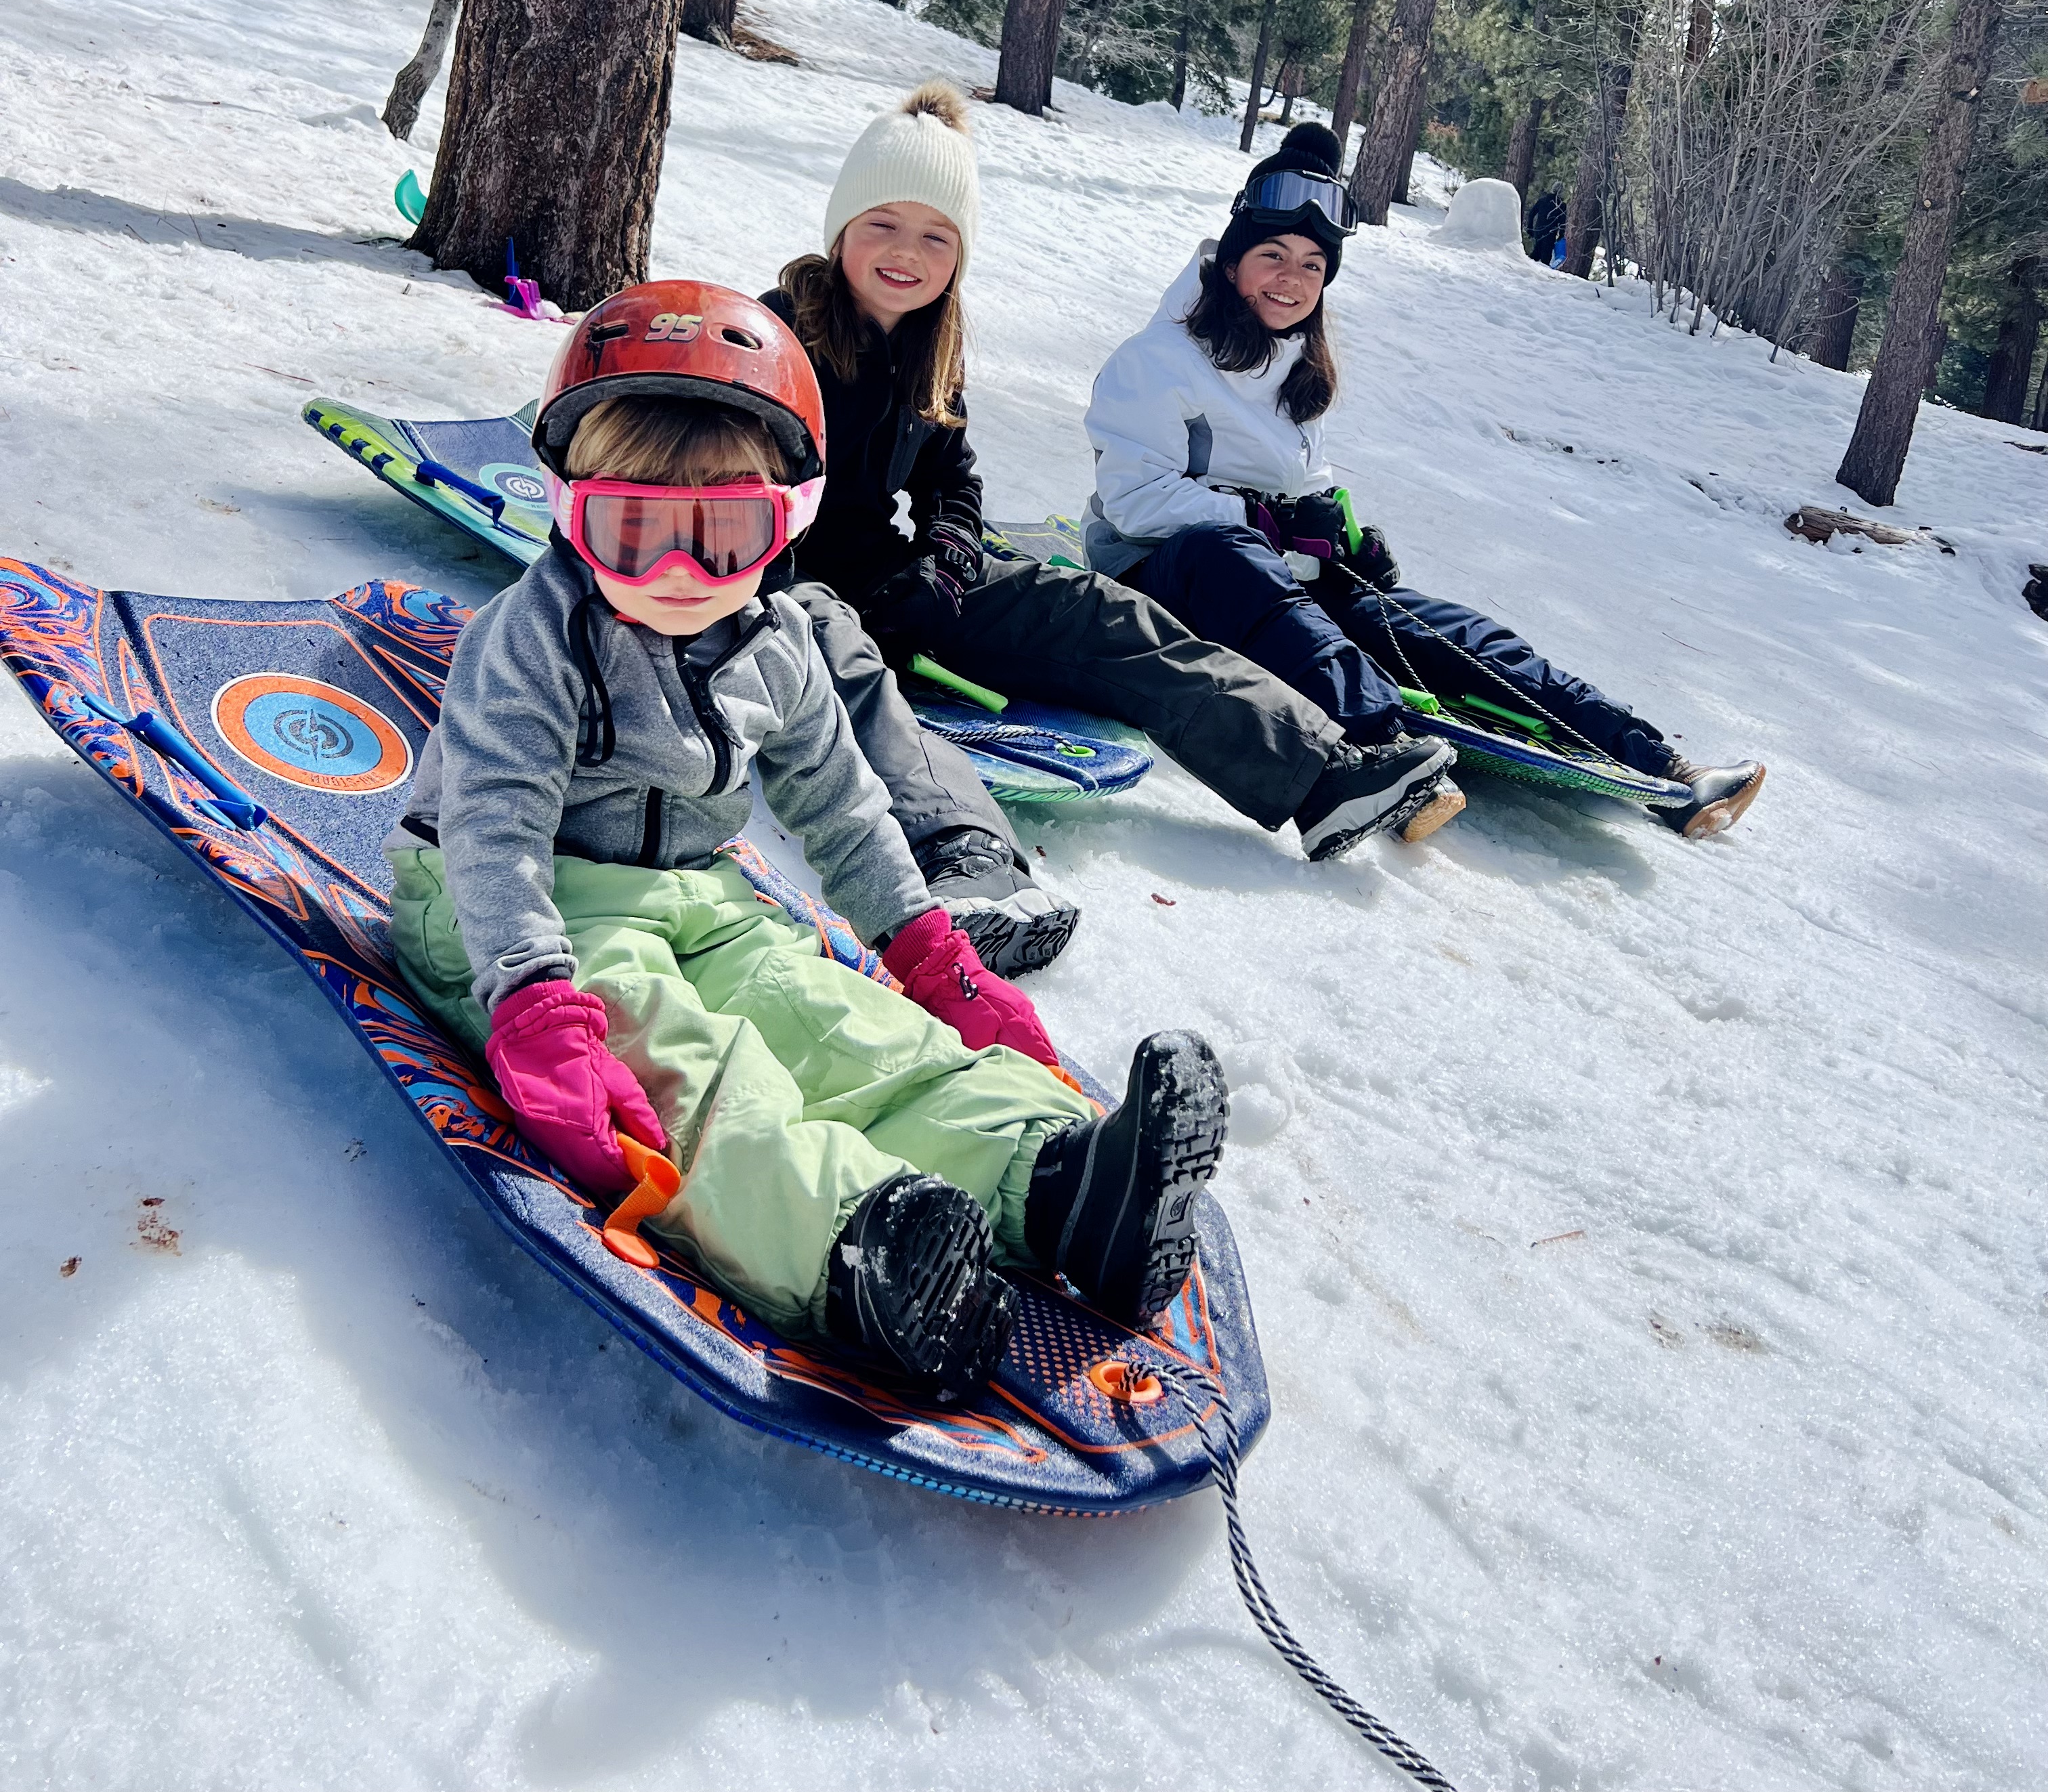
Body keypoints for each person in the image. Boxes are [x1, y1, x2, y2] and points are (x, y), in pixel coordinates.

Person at [383, 279, 1229, 1399]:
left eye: (721, 533)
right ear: (566, 507)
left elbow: (839, 804)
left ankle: (1060, 1186)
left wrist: (931, 957)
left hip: (697, 892)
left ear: (783, 521)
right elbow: (493, 828)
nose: (677, 575)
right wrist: (535, 1004)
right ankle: (858, 1244)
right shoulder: (532, 637)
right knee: (693, 1069)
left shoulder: (779, 641)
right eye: (629, 531)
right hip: (514, 911)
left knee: (844, 1026)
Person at [762, 83, 1464, 861]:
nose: (906, 253)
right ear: (840, 231)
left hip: (901, 584)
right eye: (883, 224)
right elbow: (726, 492)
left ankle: (1322, 776)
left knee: (1106, 615)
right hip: (789, 601)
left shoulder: (932, 348)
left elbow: (951, 478)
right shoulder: (773, 341)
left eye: (937, 236)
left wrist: (952, 548)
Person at [1082, 123, 1766, 840]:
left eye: (1313, 266)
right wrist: (1268, 525)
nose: (1291, 280)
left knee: (1444, 631)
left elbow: (1303, 485)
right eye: (1273, 257)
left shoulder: (1294, 367)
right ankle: (1382, 749)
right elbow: (1135, 496)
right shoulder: (1156, 359)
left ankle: (1662, 765)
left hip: (1277, 580)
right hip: (1159, 570)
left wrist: (1339, 542)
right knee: (1234, 562)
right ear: (1231, 265)